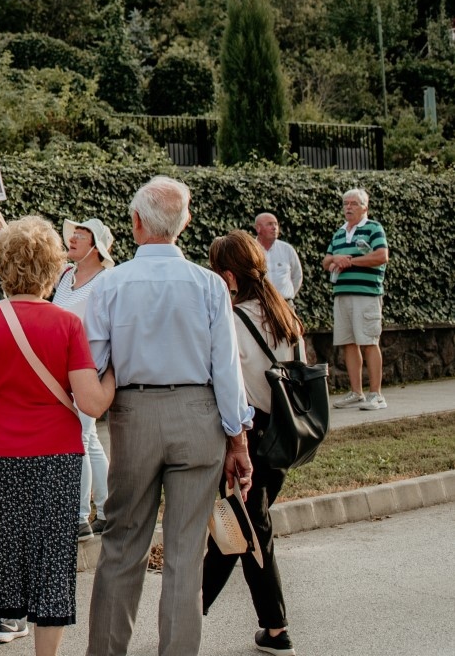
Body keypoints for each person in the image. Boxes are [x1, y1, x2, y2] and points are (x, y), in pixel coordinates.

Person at [84, 176, 253, 656]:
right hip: (198, 413)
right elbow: (227, 369)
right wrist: (237, 440)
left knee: (122, 545)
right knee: (185, 554)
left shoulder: (109, 284)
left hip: (134, 412)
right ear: (185, 224)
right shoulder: (208, 284)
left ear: (136, 223)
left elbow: (95, 364)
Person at [0, 217, 115, 656]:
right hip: (54, 457)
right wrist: (112, 379)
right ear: (53, 269)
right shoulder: (67, 324)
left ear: (2, 265)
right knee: (51, 561)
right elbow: (91, 403)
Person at [202, 230, 306, 656]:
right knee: (244, 528)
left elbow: (230, 387)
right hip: (285, 434)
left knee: (247, 531)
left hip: (253, 434)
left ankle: (276, 630)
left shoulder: (235, 321)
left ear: (228, 276)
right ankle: (268, 626)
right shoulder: (284, 314)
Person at [53, 219, 117, 539]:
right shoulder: (65, 274)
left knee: (78, 439)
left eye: (83, 234)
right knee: (88, 440)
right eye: (73, 233)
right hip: (60, 367)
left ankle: (79, 518)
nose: (74, 237)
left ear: (97, 246)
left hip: (88, 367)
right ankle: (106, 510)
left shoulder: (107, 280)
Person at [322, 189, 389, 410]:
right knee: (348, 343)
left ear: (365, 207)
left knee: (369, 342)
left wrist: (349, 261)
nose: (348, 207)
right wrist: (335, 259)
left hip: (366, 295)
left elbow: (381, 256)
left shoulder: (373, 228)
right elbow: (326, 261)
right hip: (342, 295)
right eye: (345, 204)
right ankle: (357, 392)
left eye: (353, 203)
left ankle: (376, 394)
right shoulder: (339, 233)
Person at [253, 213, 303, 304]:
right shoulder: (249, 250)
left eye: (276, 224)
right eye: (269, 224)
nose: (274, 227)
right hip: (257, 305)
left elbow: (297, 276)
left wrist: (288, 297)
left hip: (285, 305)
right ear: (258, 228)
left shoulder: (287, 249)